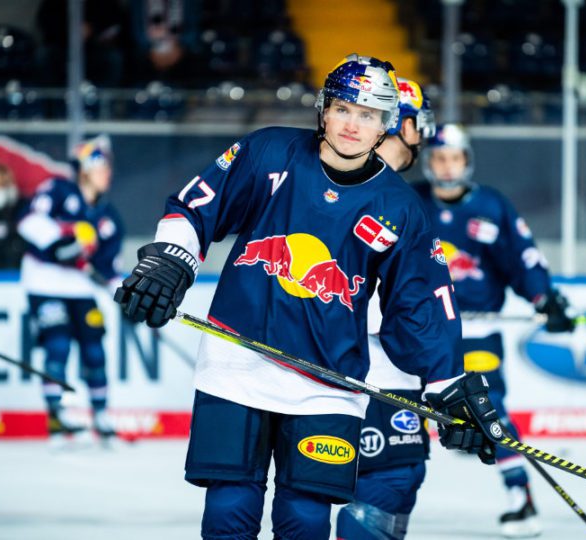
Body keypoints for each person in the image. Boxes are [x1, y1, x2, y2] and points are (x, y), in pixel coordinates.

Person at [115, 54, 499, 539]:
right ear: (323, 110)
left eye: (367, 115)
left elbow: (420, 303)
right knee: (229, 511)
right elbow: (196, 206)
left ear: (385, 125)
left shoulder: (399, 206)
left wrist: (447, 384)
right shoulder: (268, 152)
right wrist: (170, 259)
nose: (352, 125)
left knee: (306, 519)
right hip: (237, 367)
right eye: (342, 109)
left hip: (328, 382)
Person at [417, 124, 575, 538]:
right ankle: (377, 495)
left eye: (455, 158)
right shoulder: (410, 202)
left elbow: (521, 258)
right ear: (428, 163)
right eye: (439, 158)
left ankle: (519, 497)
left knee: (491, 411)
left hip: (478, 333)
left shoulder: (490, 206)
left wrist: (545, 298)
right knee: (398, 412)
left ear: (467, 161)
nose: (447, 167)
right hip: (420, 332)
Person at [335, 77, 437, 540]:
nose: (424, 135)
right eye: (418, 123)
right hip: (360, 366)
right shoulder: (365, 189)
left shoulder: (401, 197)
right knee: (384, 482)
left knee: (395, 481)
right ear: (400, 122)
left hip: (385, 366)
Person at [17, 135, 124, 445]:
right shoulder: (58, 191)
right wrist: (58, 241)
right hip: (45, 281)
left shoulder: (108, 218)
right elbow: (29, 221)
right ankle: (56, 415)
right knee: (58, 344)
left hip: (81, 288)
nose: (108, 173)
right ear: (85, 168)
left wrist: (126, 298)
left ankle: (101, 416)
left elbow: (109, 269)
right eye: (102, 165)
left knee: (94, 350)